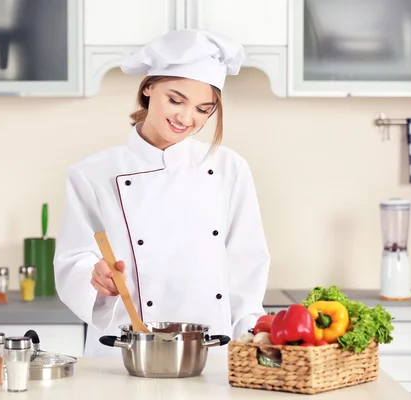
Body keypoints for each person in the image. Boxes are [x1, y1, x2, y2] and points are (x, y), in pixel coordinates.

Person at [53, 29, 271, 357]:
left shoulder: (229, 168)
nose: (186, 118)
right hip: (124, 350)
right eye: (175, 100)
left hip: (210, 350)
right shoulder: (92, 174)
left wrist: (253, 337)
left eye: (203, 109)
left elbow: (246, 265)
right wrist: (95, 277)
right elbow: (74, 259)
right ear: (149, 88)